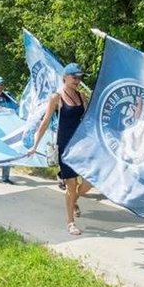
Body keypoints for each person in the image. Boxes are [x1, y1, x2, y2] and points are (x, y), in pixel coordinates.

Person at [27, 63, 91, 235]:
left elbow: (88, 121)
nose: (77, 81)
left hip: (82, 146)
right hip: (65, 147)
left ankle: (73, 200)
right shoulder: (57, 97)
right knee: (71, 185)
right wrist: (35, 145)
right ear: (65, 78)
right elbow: (45, 122)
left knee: (89, 183)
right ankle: (71, 223)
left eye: (79, 78)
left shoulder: (82, 96)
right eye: (74, 77)